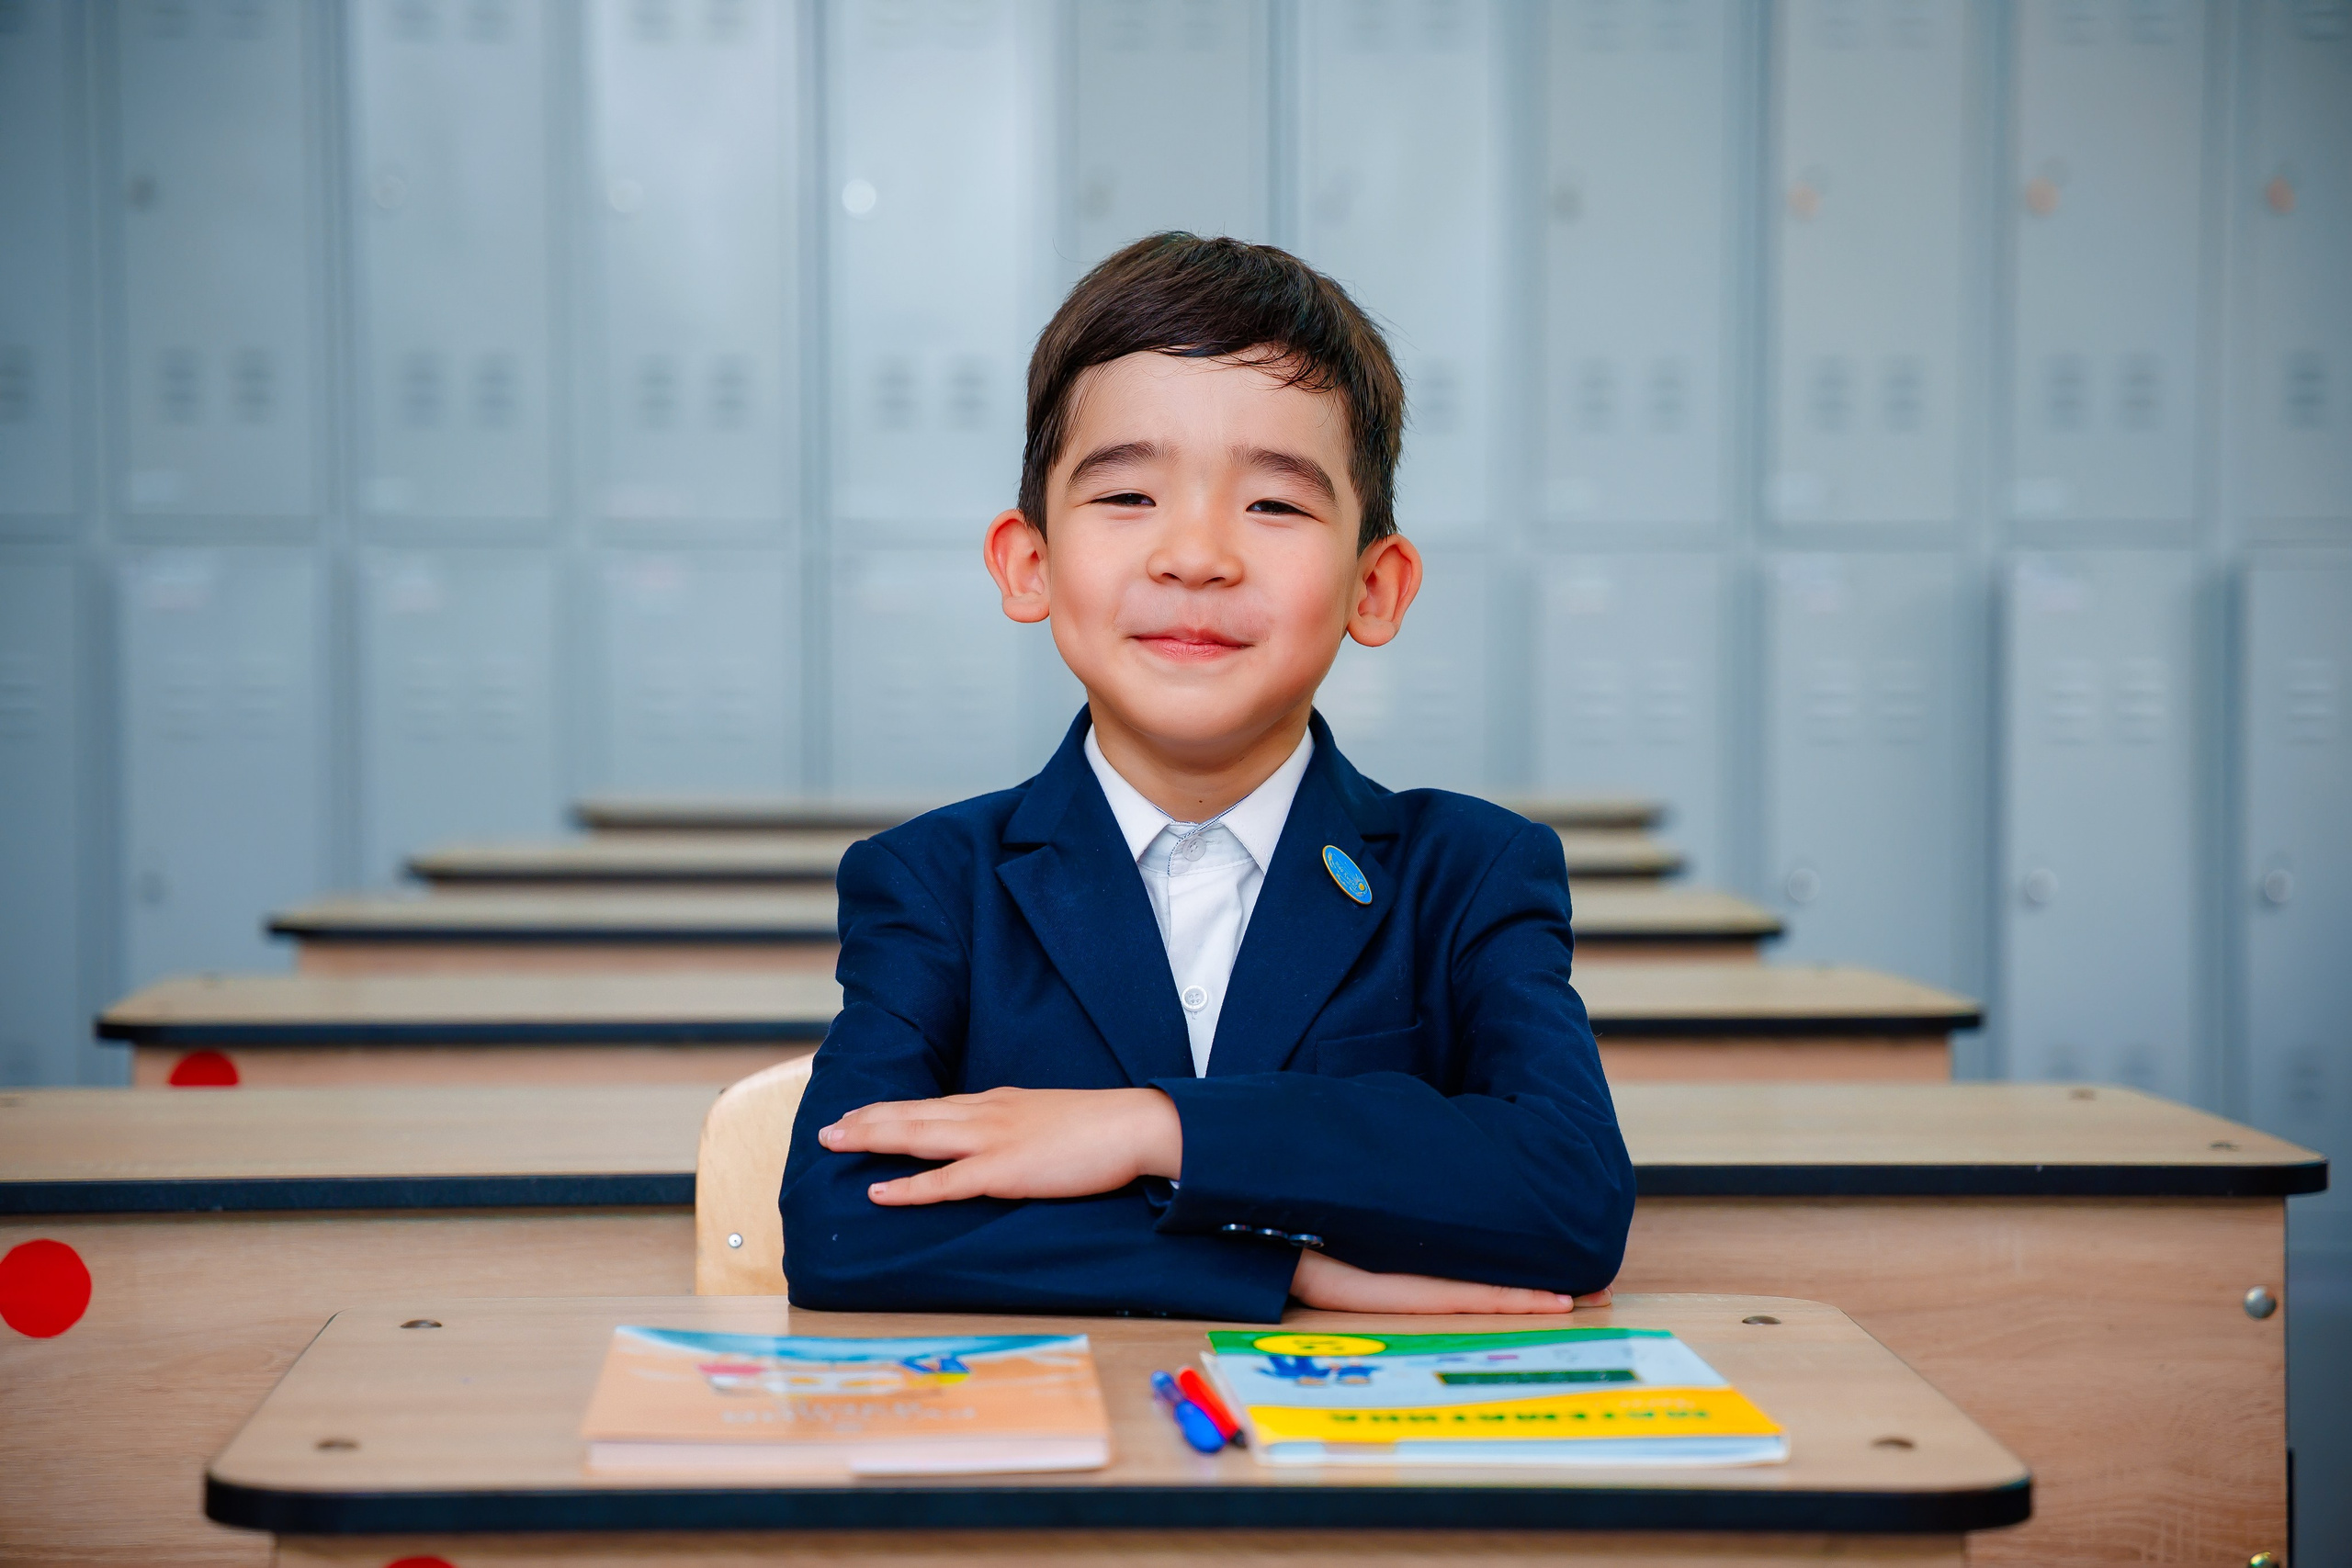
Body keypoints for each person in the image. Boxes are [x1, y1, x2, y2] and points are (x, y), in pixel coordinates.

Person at [783, 233, 1633, 1322]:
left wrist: (1156, 1129)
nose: (1195, 555)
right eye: (1127, 497)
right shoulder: (933, 884)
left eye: (1273, 506)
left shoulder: (1469, 874)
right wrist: (1267, 1268)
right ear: (1029, 563)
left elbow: (1567, 1195)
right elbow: (843, 1223)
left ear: (1374, 586)